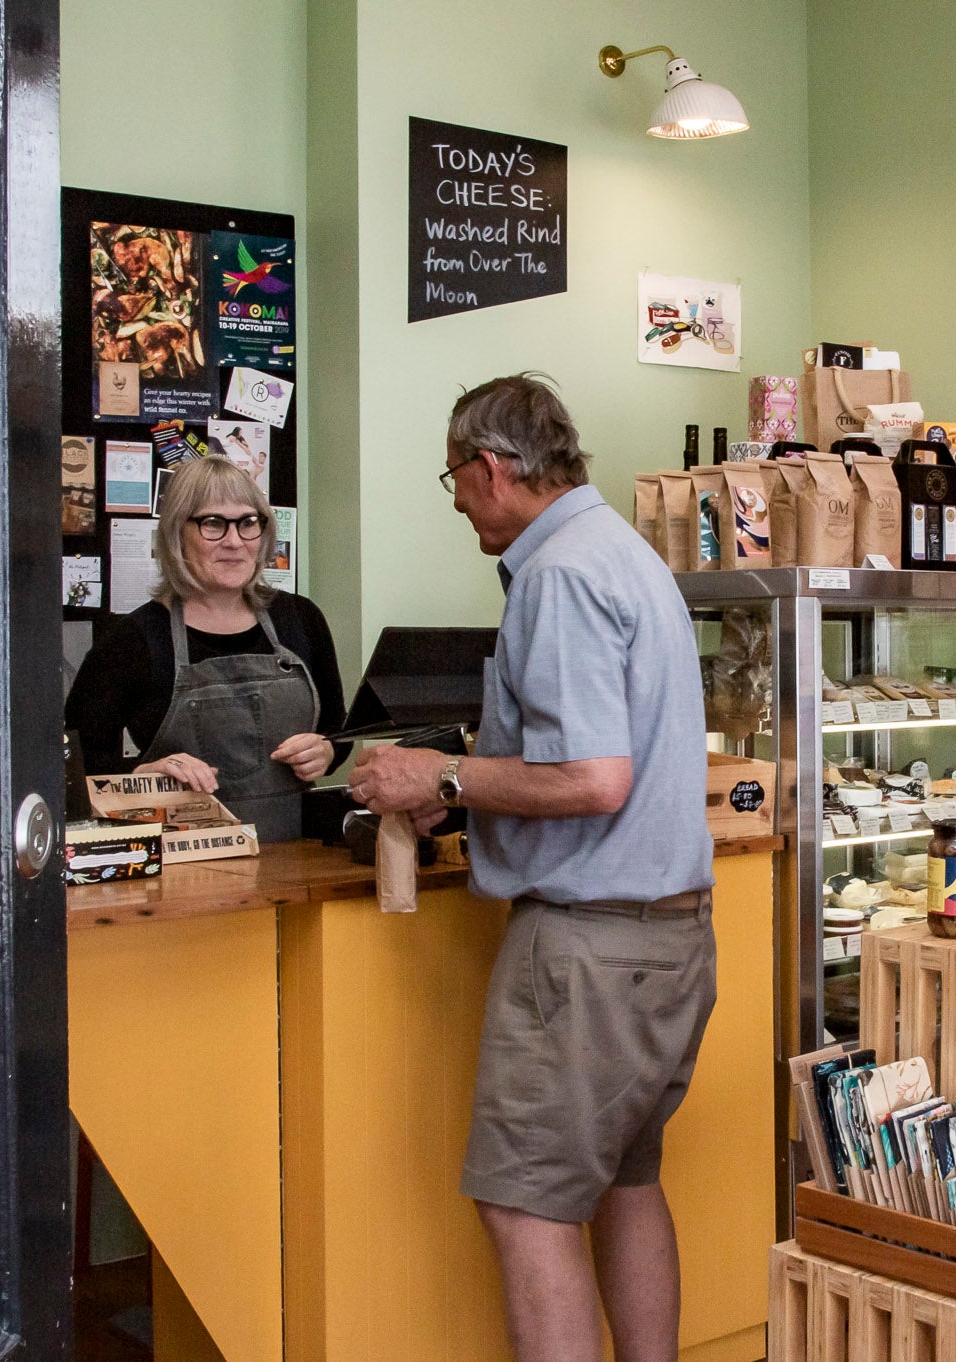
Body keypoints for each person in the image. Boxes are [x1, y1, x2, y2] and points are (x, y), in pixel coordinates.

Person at [348, 374, 716, 1362]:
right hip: (666, 941)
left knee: (527, 1209)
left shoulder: (556, 573)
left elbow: (594, 778)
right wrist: (464, 785)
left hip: (587, 957)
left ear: (492, 468)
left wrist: (447, 772)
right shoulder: (625, 555)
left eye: (455, 481)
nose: (460, 500)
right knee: (626, 1186)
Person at [64, 456, 347, 842]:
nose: (234, 541)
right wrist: (139, 778)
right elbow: (71, 762)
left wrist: (327, 752)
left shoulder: (301, 619)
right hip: (183, 865)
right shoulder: (132, 640)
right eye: (213, 523)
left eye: (248, 523)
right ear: (178, 533)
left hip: (297, 857)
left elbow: (338, 730)